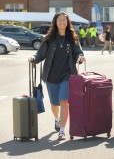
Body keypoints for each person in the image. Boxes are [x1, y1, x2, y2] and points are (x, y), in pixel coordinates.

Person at [28, 12, 85, 140]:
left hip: (67, 74)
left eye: (64, 20)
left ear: (67, 22)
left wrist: (81, 57)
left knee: (64, 101)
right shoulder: (49, 38)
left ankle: (62, 131)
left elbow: (78, 52)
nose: (62, 22)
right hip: (51, 75)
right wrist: (33, 58)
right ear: (55, 22)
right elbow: (40, 54)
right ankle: (57, 119)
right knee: (55, 104)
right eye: (60, 20)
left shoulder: (72, 38)